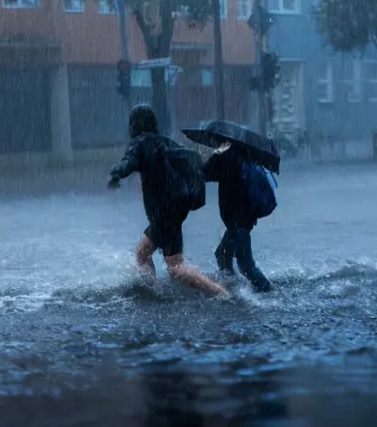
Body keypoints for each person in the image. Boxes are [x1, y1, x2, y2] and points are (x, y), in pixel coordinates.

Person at [107, 105, 227, 297]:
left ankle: (218, 292)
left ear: (135, 125)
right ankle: (155, 290)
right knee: (143, 254)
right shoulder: (164, 142)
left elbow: (128, 162)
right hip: (173, 210)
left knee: (176, 268)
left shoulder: (141, 143)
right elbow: (189, 159)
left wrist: (116, 174)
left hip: (163, 214)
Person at [203, 143, 274, 293]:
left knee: (242, 263)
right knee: (226, 256)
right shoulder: (245, 154)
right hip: (244, 218)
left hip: (237, 220)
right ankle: (237, 287)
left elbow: (205, 173)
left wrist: (214, 154)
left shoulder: (225, 157)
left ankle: (262, 291)